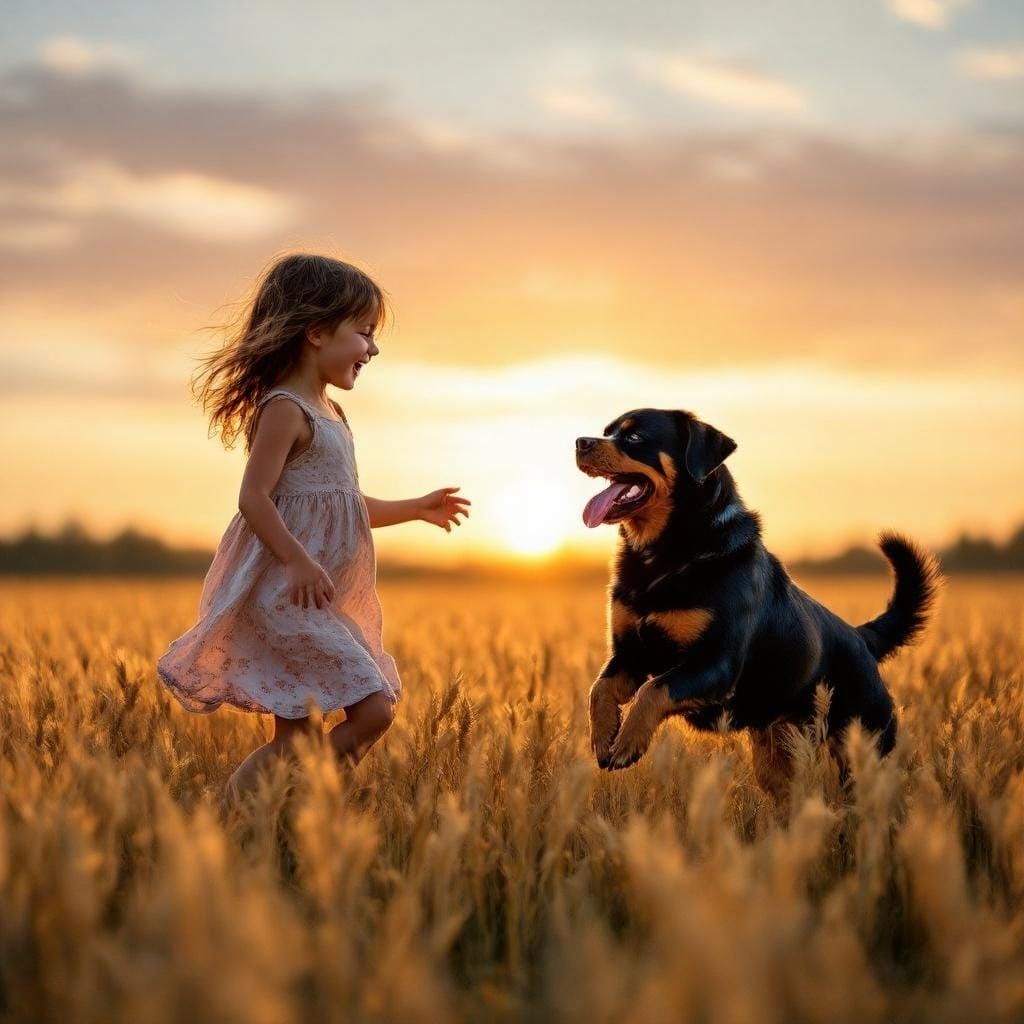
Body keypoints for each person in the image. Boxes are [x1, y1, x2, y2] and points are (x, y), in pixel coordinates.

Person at [156, 253, 470, 810]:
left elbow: (344, 507)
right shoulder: (284, 409)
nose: (372, 349)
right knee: (373, 709)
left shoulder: (332, 414)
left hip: (323, 598)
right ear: (318, 332)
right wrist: (298, 560)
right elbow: (254, 497)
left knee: (296, 738)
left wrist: (415, 507)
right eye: (364, 332)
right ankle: (279, 807)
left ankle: (264, 815)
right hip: (287, 594)